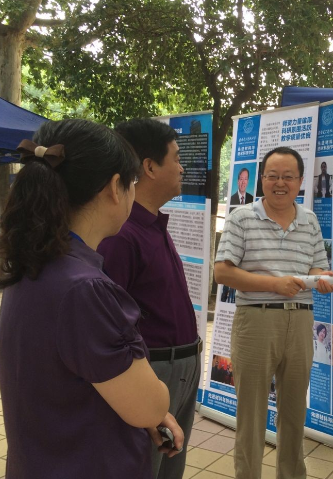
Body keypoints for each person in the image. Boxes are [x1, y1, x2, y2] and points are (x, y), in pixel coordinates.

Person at [0, 119, 181, 479]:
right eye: (131, 183)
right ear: (115, 187)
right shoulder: (85, 289)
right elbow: (149, 406)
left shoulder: (34, 266)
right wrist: (156, 400)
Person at [214, 146, 333, 479]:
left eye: (288, 177)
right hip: (256, 320)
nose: (280, 183)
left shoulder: (309, 220)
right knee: (251, 415)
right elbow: (222, 272)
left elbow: (317, 266)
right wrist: (274, 284)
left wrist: (323, 279)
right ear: (262, 179)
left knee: (295, 412)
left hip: (301, 319)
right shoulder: (241, 217)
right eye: (272, 176)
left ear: (300, 181)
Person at [98, 118, 200, 479]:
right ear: (150, 167)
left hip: (180, 368)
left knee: (169, 468)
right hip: (153, 371)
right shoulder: (122, 235)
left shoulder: (154, 225)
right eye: (176, 158)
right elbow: (110, 326)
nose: (182, 167)